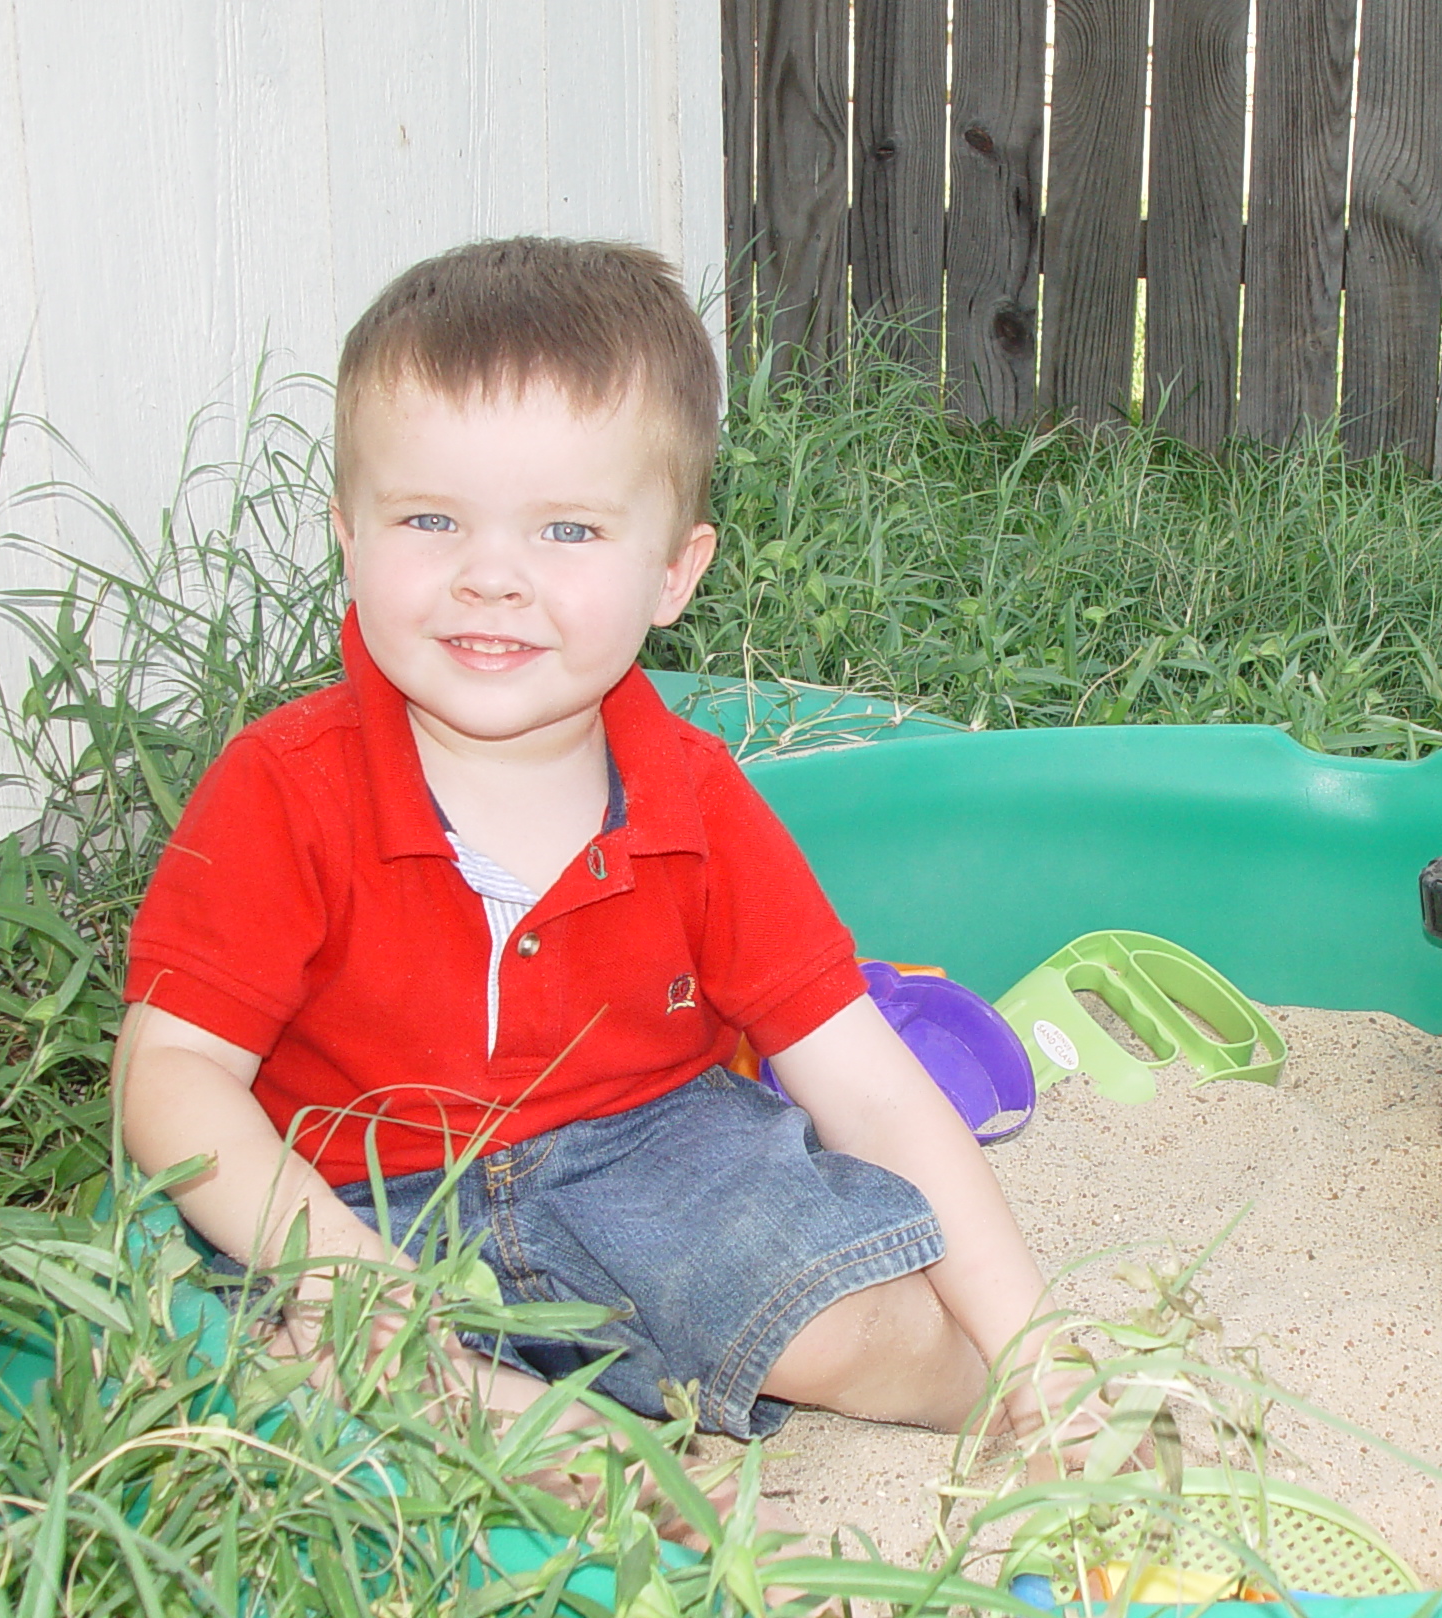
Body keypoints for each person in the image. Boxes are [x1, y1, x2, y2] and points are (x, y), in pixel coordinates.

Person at [114, 236, 1076, 1478]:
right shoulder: (283, 788)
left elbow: (871, 1085)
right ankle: (536, 1428)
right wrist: (339, 1273)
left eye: (566, 529)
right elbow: (173, 1073)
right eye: (428, 519)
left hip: (654, 1157)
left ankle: (973, 1400)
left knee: (835, 1330)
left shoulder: (693, 800)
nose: (491, 578)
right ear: (346, 535)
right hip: (359, 1190)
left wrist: (1041, 1355)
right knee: (291, 1363)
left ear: (674, 571)